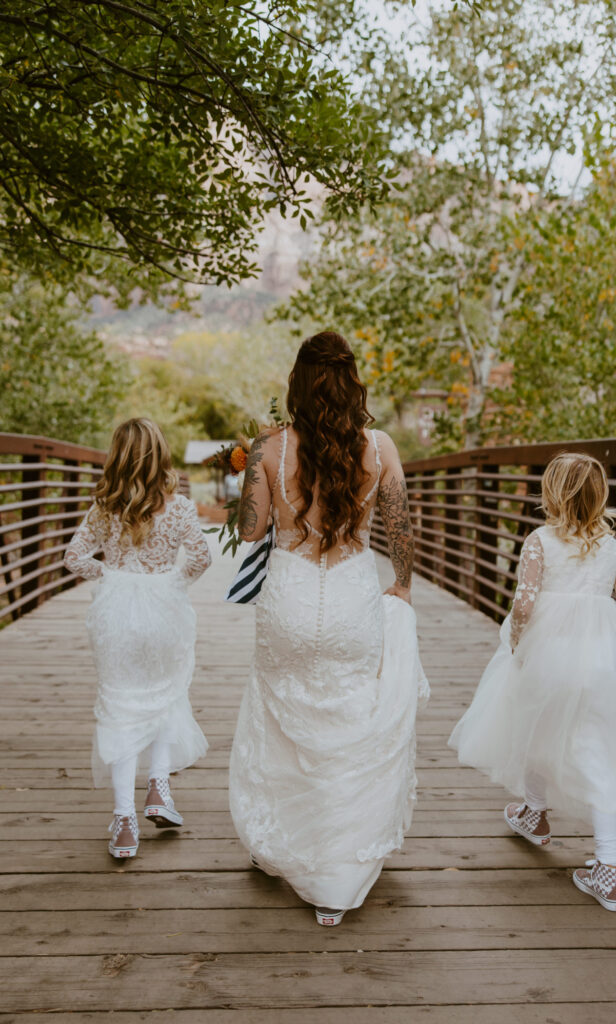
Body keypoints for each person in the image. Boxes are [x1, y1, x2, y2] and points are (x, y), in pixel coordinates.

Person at [228, 330, 429, 926]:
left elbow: (248, 530)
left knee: (283, 719)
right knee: (347, 721)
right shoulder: (381, 447)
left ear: (297, 383)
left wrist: (247, 469)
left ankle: (280, 847)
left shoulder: (270, 447)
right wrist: (404, 586)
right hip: (349, 598)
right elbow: (400, 530)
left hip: (289, 595)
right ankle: (336, 872)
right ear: (351, 383)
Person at [449, 452, 616, 911]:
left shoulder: (539, 541)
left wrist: (520, 645)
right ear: (599, 497)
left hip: (550, 657)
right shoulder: (611, 547)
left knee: (537, 719)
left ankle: (572, 840)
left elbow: (522, 606)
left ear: (552, 494)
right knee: (595, 746)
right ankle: (571, 839)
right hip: (600, 664)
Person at [64, 418, 211, 859]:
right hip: (164, 611)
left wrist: (109, 575)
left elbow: (73, 558)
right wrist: (172, 584)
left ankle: (125, 820)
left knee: (121, 706)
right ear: (161, 455)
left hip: (116, 616)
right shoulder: (179, 507)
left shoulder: (104, 507)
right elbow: (202, 557)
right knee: (166, 693)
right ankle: (159, 791)